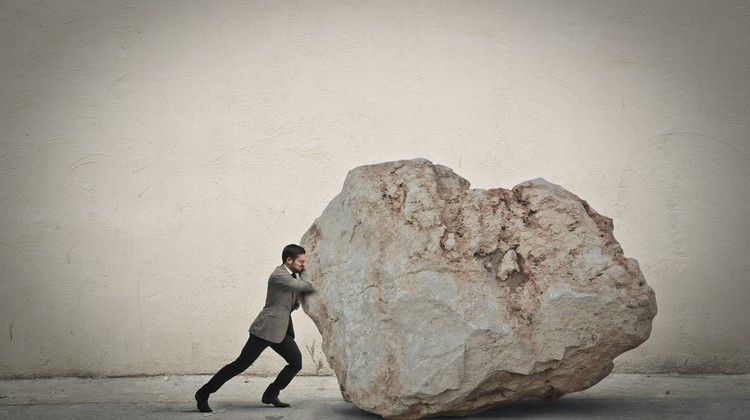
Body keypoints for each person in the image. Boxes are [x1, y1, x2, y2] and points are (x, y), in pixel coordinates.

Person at [194, 244, 314, 412]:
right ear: (289, 260)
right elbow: (307, 286)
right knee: (240, 365)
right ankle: (203, 393)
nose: (303, 265)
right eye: (301, 262)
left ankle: (271, 394)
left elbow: (290, 302)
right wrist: (305, 270)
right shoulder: (279, 275)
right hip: (265, 329)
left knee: (295, 362)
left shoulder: (291, 276)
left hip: (280, 330)